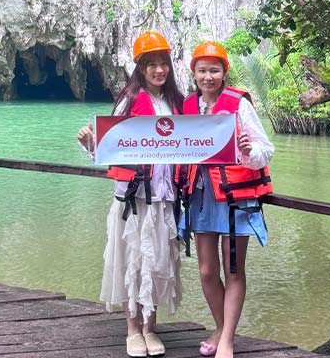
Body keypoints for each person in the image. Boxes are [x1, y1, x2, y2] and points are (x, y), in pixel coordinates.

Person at [77, 31, 184, 358]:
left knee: (157, 262)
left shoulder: (175, 103)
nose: (158, 70)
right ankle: (132, 330)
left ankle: (151, 327)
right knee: (132, 261)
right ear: (140, 68)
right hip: (133, 198)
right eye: (150, 64)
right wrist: (89, 144)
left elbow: (194, 143)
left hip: (164, 198)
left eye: (163, 63)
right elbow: (109, 145)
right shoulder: (129, 99)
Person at [178, 41, 275, 358]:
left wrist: (247, 152)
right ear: (193, 73)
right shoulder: (188, 107)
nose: (208, 77)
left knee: (233, 271)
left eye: (214, 70)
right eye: (202, 70)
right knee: (207, 271)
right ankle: (221, 328)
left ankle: (228, 340)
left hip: (235, 200)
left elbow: (266, 151)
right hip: (202, 196)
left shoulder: (239, 105)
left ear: (224, 73)